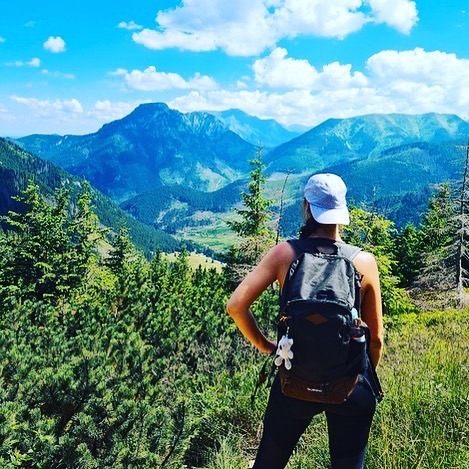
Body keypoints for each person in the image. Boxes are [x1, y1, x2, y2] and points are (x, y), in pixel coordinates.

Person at [226, 173, 384, 469]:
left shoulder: (285, 254)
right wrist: (358, 372)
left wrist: (267, 346)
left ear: (307, 207)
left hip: (294, 378)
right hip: (350, 385)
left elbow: (236, 305)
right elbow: (375, 340)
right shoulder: (363, 261)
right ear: (342, 211)